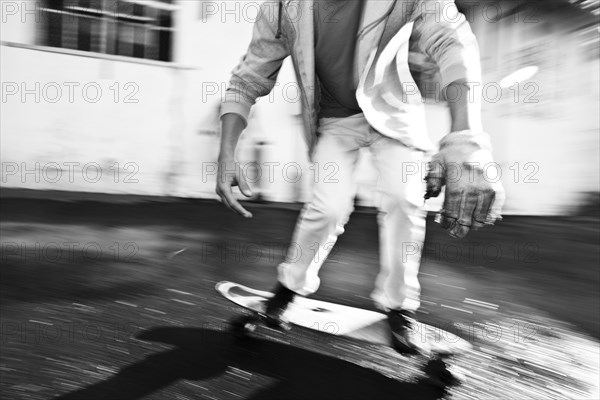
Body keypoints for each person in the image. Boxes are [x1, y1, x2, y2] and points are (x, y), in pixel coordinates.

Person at [216, 0, 504, 354]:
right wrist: (227, 151)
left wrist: (467, 137)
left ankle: (399, 307)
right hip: (335, 122)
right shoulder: (280, 7)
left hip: (395, 116)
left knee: (404, 199)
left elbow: (451, 41)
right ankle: (289, 287)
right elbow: (249, 76)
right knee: (328, 208)